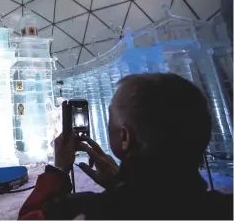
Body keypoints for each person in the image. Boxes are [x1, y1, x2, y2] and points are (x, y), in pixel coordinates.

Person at [18, 73, 233, 220]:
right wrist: (120, 183)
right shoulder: (224, 208)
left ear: (124, 137)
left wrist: (58, 171)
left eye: (110, 118)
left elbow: (31, 217)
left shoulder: (87, 211)